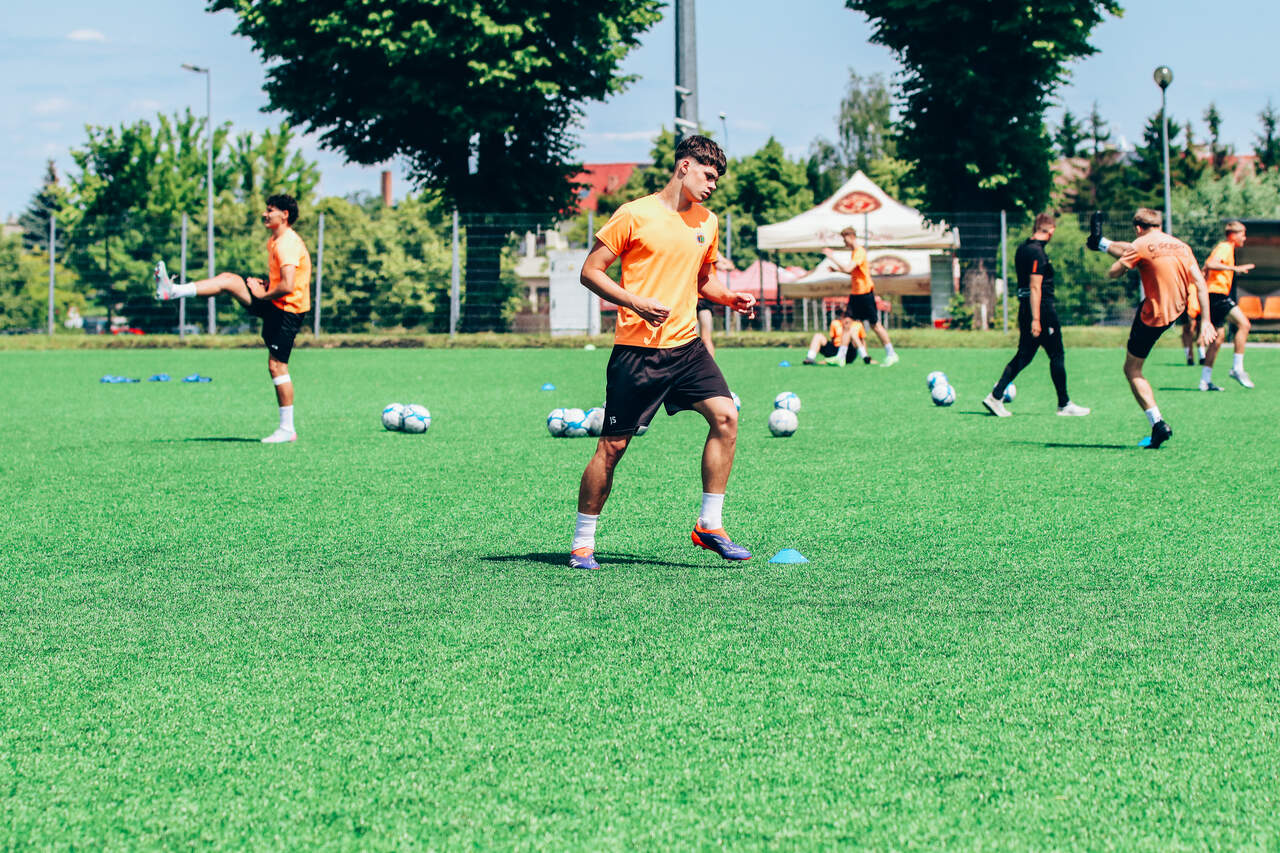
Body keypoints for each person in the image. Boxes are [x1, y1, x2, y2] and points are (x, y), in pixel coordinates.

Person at [569, 135, 757, 571]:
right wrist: (634, 302)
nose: (712, 185)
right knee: (612, 448)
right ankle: (582, 543)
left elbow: (703, 280)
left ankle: (709, 525)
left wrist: (730, 297)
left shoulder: (707, 222)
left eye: (716, 179)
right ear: (684, 166)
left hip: (687, 347)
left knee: (726, 417)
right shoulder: (634, 214)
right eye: (707, 175)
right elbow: (590, 272)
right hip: (638, 352)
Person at [154, 194, 311, 443]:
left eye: (270, 210)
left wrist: (263, 293)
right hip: (274, 302)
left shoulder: (287, 244)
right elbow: (283, 282)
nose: (265, 214)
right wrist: (266, 285)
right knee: (229, 280)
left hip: (287, 310)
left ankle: (287, 430)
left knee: (277, 367)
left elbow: (289, 285)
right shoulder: (275, 240)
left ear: (285, 215)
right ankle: (173, 291)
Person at [1096, 208, 1215, 448]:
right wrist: (1206, 321)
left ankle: (1157, 423)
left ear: (1138, 228)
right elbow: (1201, 284)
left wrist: (1121, 263)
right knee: (1135, 366)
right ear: (1158, 225)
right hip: (1176, 310)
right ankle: (1102, 242)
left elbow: (1114, 272)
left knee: (1132, 369)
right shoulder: (1181, 246)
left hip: (1152, 315)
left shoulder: (1139, 245)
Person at [982, 213, 1090, 417]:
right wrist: (1036, 319)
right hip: (1041, 309)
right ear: (1050, 231)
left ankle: (995, 396)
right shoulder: (1037, 252)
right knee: (1056, 354)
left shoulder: (1022, 248)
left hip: (1026, 307)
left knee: (1024, 355)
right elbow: (1035, 286)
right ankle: (1064, 404)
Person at [822, 227, 898, 366]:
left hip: (865, 294)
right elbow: (853, 272)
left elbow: (848, 268)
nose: (844, 242)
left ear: (851, 237)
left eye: (844, 239)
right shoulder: (854, 252)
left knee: (875, 325)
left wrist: (831, 257)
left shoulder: (859, 251)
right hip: (855, 294)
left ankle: (891, 354)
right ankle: (841, 357)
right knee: (846, 323)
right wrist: (836, 270)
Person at [1199, 220, 1255, 390]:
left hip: (1213, 295)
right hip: (1217, 295)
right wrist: (1235, 268)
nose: (1244, 238)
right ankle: (1237, 368)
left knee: (1217, 339)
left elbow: (1206, 267)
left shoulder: (1227, 248)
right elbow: (1211, 264)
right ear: (1233, 235)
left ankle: (1205, 381)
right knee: (1244, 324)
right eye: (1242, 234)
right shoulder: (1225, 247)